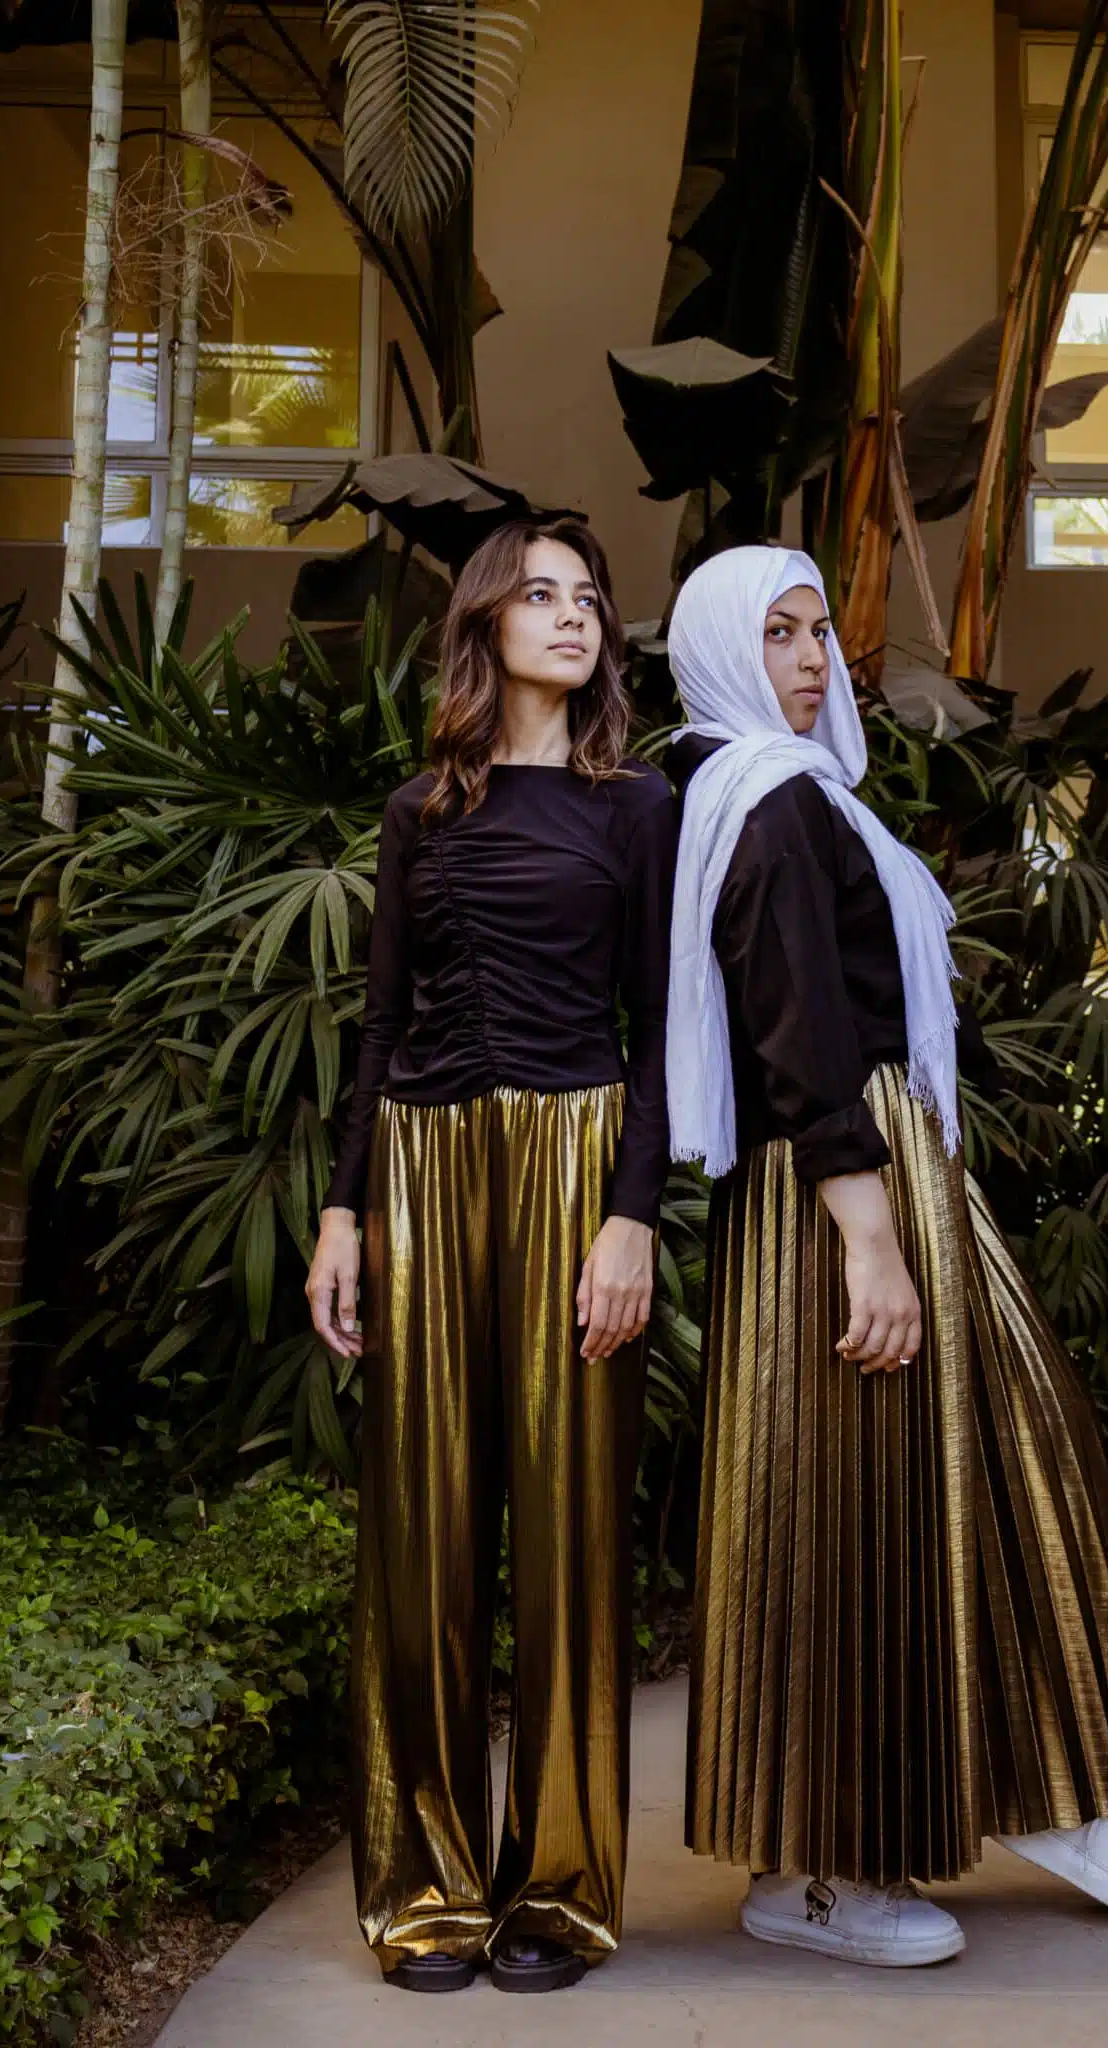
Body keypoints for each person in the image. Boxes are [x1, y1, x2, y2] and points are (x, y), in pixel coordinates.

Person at [667, 545, 1108, 1968]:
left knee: (1000, 1461)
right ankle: (821, 1871)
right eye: (775, 634)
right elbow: (795, 1030)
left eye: (816, 632)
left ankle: (1052, 1783)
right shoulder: (766, 802)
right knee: (846, 1510)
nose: (808, 660)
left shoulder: (796, 793)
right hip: (840, 1185)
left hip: (885, 1165)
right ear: (716, 651)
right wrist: (869, 1240)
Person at [306, 518, 676, 1995]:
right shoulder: (420, 810)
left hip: (579, 1162)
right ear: (486, 624)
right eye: (542, 593)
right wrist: (343, 1214)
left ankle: (561, 1892)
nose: (575, 616)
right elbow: (380, 1022)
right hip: (421, 1163)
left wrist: (634, 1216)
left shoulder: (638, 806)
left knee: (573, 1533)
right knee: (424, 1535)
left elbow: (665, 1032)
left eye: (589, 598)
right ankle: (430, 1887)